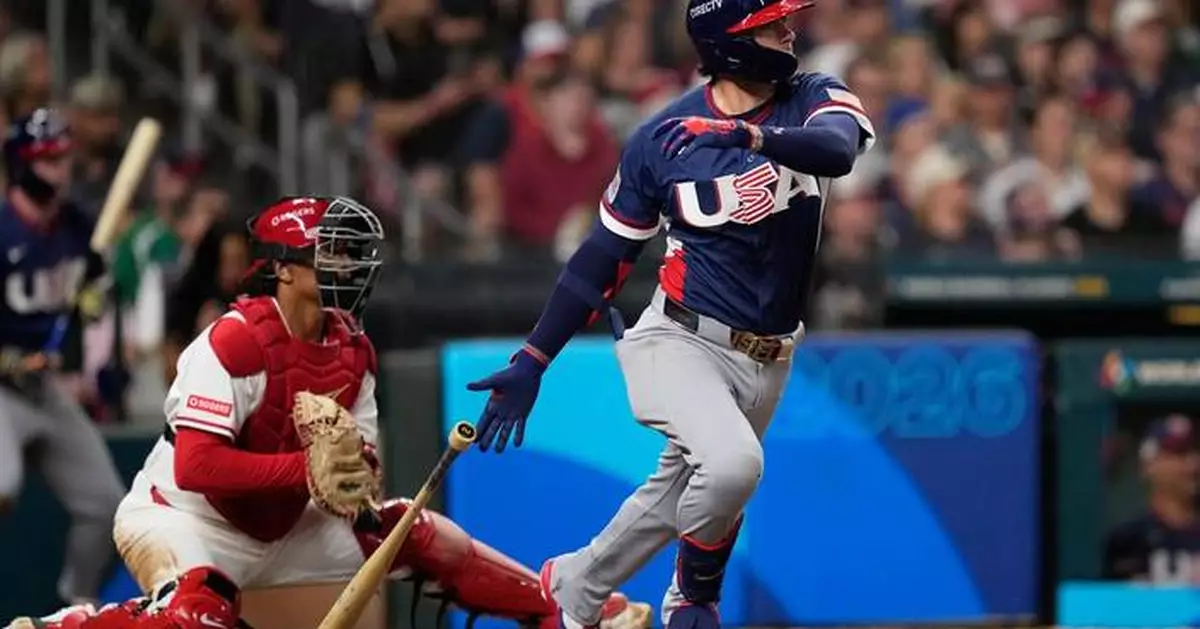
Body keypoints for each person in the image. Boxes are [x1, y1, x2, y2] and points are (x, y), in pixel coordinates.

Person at [5, 196, 650, 629]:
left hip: (289, 525)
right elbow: (199, 465)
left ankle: (562, 607)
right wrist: (304, 470)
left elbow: (355, 473)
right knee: (201, 612)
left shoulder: (353, 349)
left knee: (412, 529)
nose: (347, 264)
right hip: (184, 515)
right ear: (284, 272)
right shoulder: (233, 342)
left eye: (349, 251)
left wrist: (351, 474)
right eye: (329, 253)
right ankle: (77, 623)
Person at [466, 0, 875, 627]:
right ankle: (692, 598)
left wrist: (752, 135)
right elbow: (601, 257)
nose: (788, 31)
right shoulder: (663, 138)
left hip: (772, 352)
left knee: (680, 495)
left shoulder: (811, 93)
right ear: (728, 41)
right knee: (733, 465)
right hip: (682, 339)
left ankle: (572, 586)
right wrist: (533, 357)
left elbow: (838, 150)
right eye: (769, 24)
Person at [0, 107, 125, 606]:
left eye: (63, 158)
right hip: (3, 386)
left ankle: (78, 602)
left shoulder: (77, 226)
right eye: (47, 159)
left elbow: (91, 300)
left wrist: (94, 295)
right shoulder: (2, 230)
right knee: (2, 483)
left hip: (45, 386)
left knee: (105, 504)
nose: (60, 169)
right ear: (22, 164)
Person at [1104, 414, 1200, 583]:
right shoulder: (1129, 540)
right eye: (1179, 454)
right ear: (1149, 465)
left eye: (1195, 451)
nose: (1193, 464)